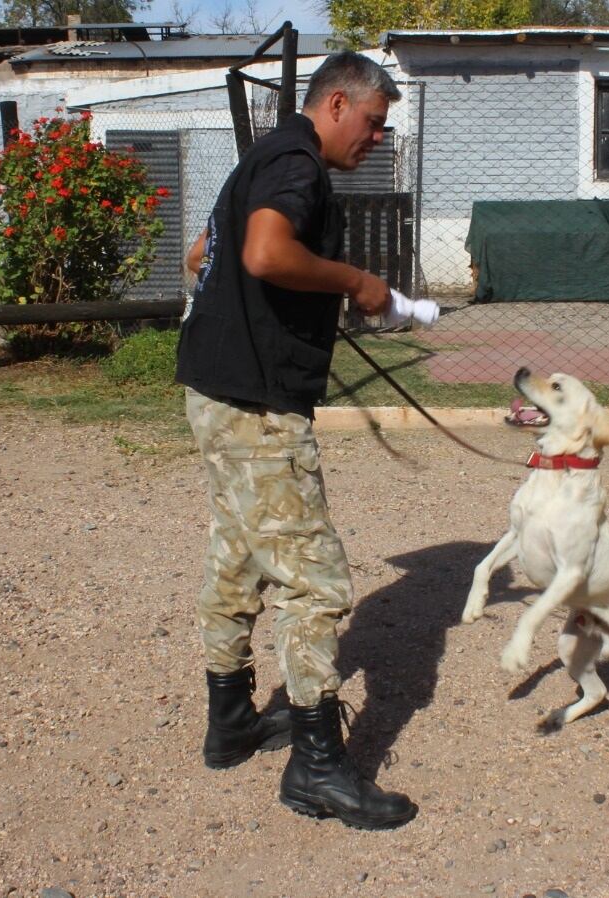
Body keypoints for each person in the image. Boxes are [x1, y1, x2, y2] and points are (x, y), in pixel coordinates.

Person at [174, 51, 417, 830]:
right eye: (375, 124)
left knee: (238, 554)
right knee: (315, 580)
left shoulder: (259, 158)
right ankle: (316, 769)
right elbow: (262, 254)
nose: (376, 140)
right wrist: (354, 282)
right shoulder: (300, 165)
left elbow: (199, 257)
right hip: (256, 403)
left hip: (212, 389)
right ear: (338, 103)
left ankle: (232, 720)